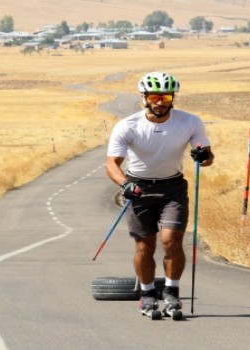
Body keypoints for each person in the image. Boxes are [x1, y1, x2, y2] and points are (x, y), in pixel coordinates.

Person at [105, 72, 214, 315]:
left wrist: (203, 156)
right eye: (154, 96)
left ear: (172, 97)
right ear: (144, 97)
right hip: (137, 187)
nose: (160, 101)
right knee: (145, 244)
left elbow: (206, 157)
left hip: (172, 187)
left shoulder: (190, 121)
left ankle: (171, 293)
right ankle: (146, 294)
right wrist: (125, 184)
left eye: (165, 96)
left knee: (171, 241)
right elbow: (111, 164)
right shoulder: (128, 125)